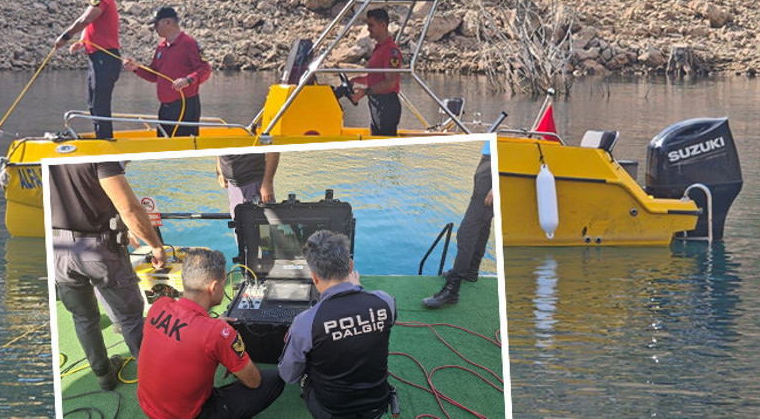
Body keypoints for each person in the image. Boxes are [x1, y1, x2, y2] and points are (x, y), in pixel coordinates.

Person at [49, 162, 168, 391]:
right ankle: (155, 382)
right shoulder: (100, 153)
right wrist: (156, 246)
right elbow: (129, 208)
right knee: (130, 316)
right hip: (98, 249)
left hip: (57, 251)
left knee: (83, 318)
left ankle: (104, 376)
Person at [137, 248, 284, 419]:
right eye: (224, 282)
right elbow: (254, 381)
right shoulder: (217, 333)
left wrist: (212, 326)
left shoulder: (159, 306)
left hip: (149, 407)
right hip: (187, 415)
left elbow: (185, 332)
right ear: (214, 287)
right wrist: (232, 351)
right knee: (273, 380)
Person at [279, 230, 397, 419]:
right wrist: (358, 290)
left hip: (330, 410)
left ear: (315, 277)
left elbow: (289, 375)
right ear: (350, 266)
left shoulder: (305, 322)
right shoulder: (385, 302)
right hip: (376, 405)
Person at [423, 141, 494, 308]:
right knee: (483, 224)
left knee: (466, 233)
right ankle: (471, 271)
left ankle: (452, 290)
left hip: (493, 168)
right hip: (489, 161)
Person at [123, 6, 212, 137]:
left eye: (156, 24)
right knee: (163, 143)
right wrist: (137, 68)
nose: (154, 28)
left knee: (183, 145)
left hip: (185, 106)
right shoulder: (161, 47)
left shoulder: (189, 43)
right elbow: (154, 75)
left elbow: (205, 69)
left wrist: (188, 81)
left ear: (168, 22)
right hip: (165, 108)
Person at [54, 0, 121, 139]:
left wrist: (65, 36)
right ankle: (100, 137)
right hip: (96, 59)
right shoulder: (96, 0)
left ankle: (105, 141)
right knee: (93, 103)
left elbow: (86, 20)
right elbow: (91, 26)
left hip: (106, 58)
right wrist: (82, 42)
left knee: (100, 104)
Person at [350, 8, 403, 136]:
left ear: (383, 25)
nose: (368, 29)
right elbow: (375, 77)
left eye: (371, 25)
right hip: (377, 104)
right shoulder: (379, 49)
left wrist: (364, 92)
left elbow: (389, 83)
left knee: (384, 147)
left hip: (386, 105)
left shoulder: (391, 52)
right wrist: (355, 80)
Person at [217, 153, 280, 218]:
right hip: (232, 186)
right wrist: (219, 169)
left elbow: (273, 150)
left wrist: (267, 182)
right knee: (239, 224)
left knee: (262, 224)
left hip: (255, 183)